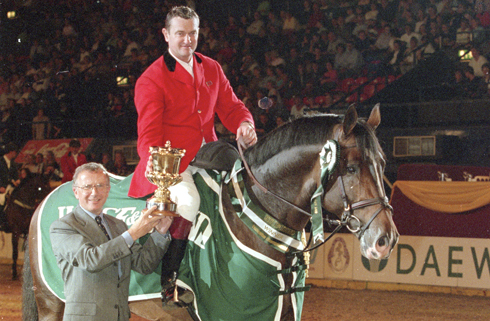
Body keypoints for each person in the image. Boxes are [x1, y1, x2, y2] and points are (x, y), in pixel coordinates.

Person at [128, 6, 257, 301]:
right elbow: (148, 135)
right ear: (166, 35)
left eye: (193, 33)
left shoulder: (211, 67)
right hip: (172, 162)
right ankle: (169, 278)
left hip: (210, 153)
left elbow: (233, 107)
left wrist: (245, 124)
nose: (187, 40)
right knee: (189, 200)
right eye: (180, 34)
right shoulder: (151, 78)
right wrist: (160, 171)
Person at [50, 163, 173, 321]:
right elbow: (90, 260)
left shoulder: (118, 225)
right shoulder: (63, 226)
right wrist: (132, 233)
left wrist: (160, 232)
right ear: (76, 192)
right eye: (87, 186)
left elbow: (144, 264)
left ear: (108, 190)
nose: (94, 192)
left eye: (100, 185)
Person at [0, 143, 20, 231]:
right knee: (1, 201)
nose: (15, 154)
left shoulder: (13, 163)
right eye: (15, 152)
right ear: (11, 152)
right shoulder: (0, 161)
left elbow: (16, 176)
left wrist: (18, 180)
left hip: (11, 187)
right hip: (2, 188)